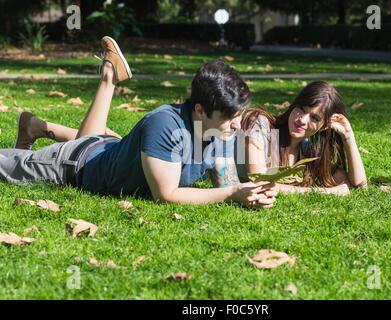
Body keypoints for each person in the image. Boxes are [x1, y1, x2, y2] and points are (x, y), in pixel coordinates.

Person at [3, 36, 277, 209]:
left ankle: (36, 126)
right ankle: (105, 78)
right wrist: (232, 194)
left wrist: (251, 194)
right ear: (200, 110)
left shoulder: (220, 131)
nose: (237, 125)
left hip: (108, 148)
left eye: (239, 115)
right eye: (230, 117)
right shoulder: (164, 124)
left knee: (97, 140)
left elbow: (225, 182)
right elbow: (166, 195)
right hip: (72, 164)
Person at [233, 80, 368, 196]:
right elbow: (259, 183)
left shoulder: (307, 150)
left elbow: (358, 185)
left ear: (325, 126)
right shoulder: (261, 124)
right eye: (301, 109)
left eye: (314, 118)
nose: (302, 120)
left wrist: (349, 137)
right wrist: (326, 192)